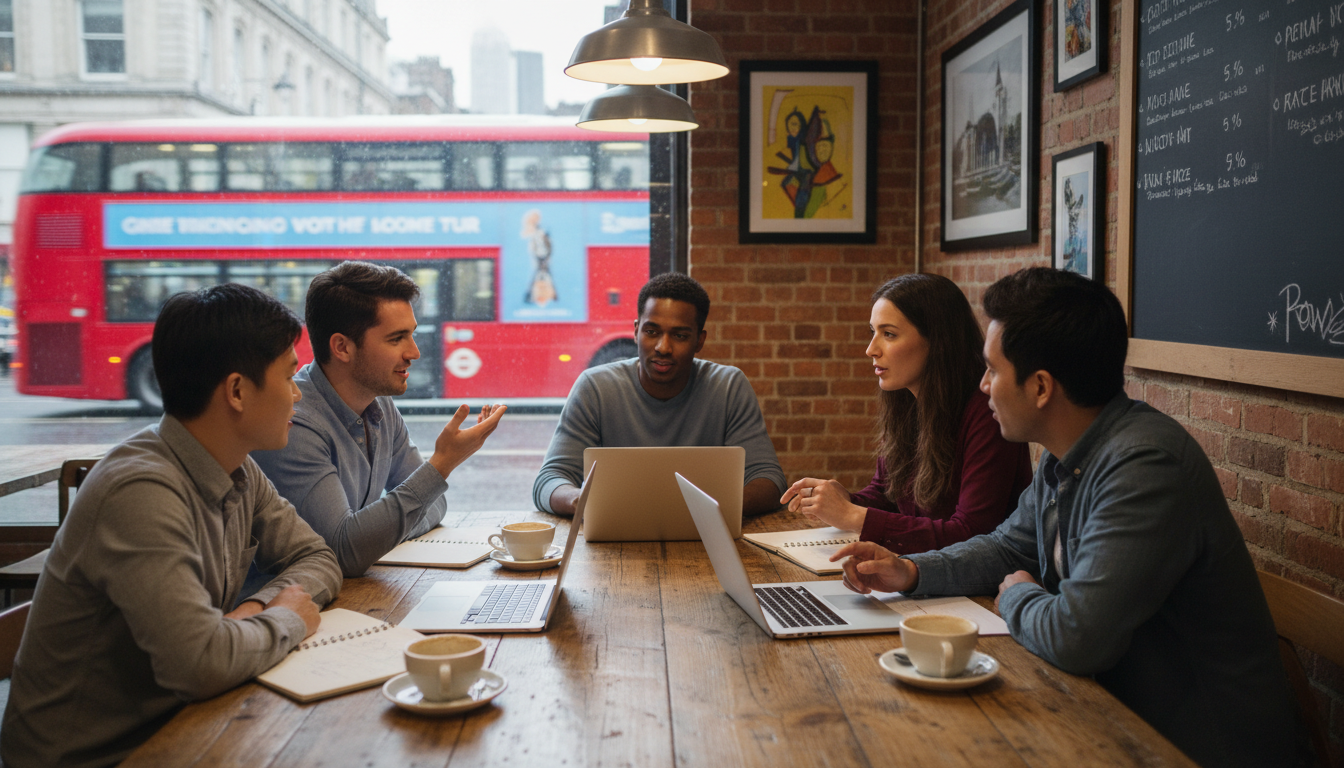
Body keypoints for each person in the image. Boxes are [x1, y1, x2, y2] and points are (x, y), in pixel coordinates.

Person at [832, 268, 1298, 768]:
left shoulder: (1144, 467)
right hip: (1109, 722)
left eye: (991, 370)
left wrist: (1016, 595)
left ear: (1040, 387)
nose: (983, 385)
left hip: (1193, 748)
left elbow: (1076, 638)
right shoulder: (1066, 453)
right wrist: (913, 572)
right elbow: (1005, 546)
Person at [1, 284, 343, 768]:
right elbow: (199, 665)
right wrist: (288, 616)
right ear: (238, 391)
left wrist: (250, 609)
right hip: (99, 755)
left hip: (184, 720)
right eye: (290, 377)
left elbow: (317, 558)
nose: (297, 394)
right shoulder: (139, 491)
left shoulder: (237, 466)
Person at [252, 261, 506, 577]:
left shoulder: (379, 404)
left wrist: (376, 534)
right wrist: (441, 464)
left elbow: (435, 505)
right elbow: (343, 553)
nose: (414, 352)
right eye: (396, 338)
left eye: (411, 335)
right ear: (342, 347)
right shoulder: (294, 424)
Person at [780, 274, 1031, 554]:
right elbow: (887, 495)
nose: (871, 349)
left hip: (980, 590)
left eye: (888, 334)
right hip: (923, 572)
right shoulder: (907, 401)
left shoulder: (988, 413)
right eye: (872, 332)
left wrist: (852, 515)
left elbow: (972, 533)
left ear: (938, 341)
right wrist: (846, 500)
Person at [533, 272, 786, 516]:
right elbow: (549, 480)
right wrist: (581, 502)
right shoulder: (595, 388)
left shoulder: (728, 387)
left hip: (706, 536)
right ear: (635, 331)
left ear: (699, 340)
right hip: (613, 540)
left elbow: (770, 480)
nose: (663, 347)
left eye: (680, 335)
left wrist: (713, 509)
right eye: (651, 332)